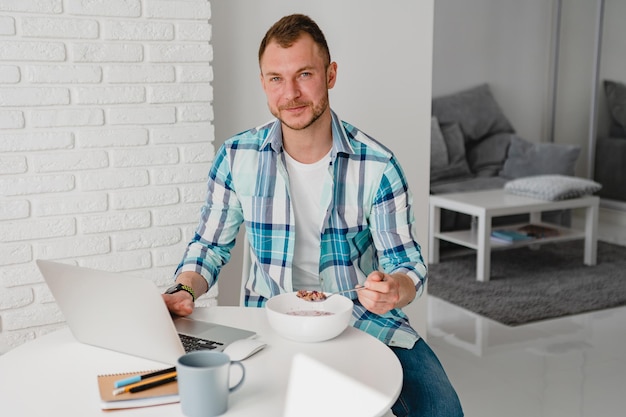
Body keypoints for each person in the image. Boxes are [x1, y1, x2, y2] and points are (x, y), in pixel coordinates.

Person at [163, 13, 463, 417]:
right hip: (266, 323)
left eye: (304, 74)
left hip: (362, 320)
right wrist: (184, 290)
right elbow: (209, 247)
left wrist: (395, 288)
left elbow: (407, 265)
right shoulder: (236, 157)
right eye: (275, 78)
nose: (291, 93)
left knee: (441, 408)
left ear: (330, 74)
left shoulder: (378, 164)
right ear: (264, 83)